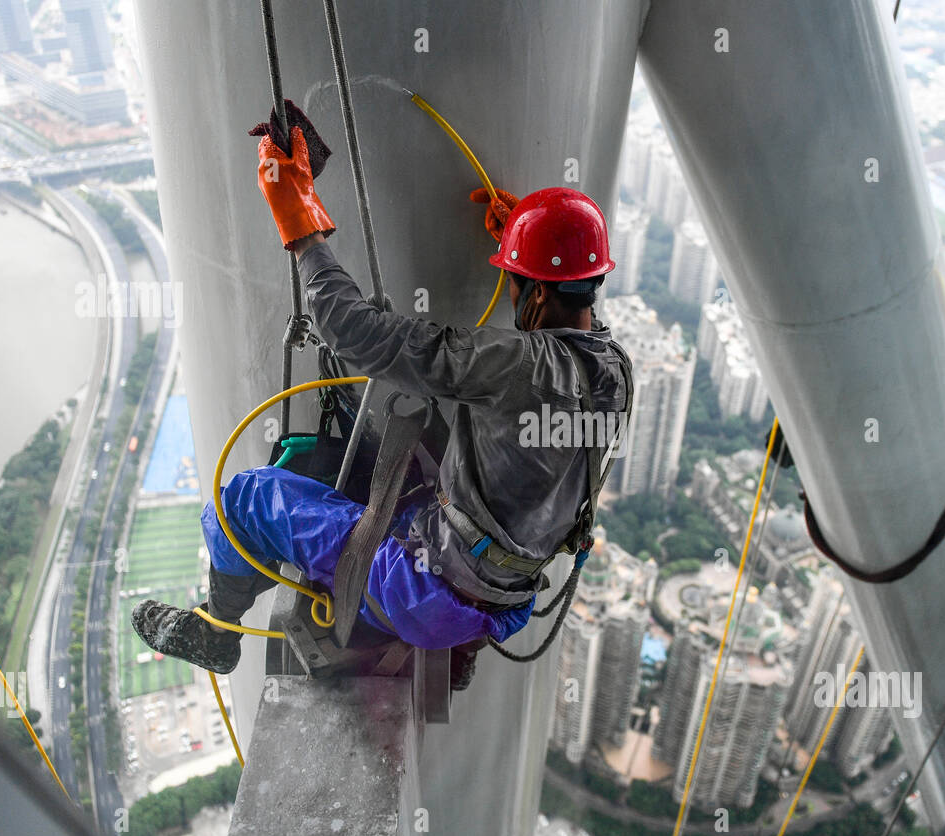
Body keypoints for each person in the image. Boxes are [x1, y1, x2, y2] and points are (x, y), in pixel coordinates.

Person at [131, 121, 634, 688]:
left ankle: (215, 632)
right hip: (509, 599)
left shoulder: (511, 365)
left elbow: (353, 330)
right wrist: (525, 245)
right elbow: (539, 370)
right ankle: (459, 645)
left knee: (245, 500)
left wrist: (301, 224)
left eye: (517, 281)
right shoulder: (615, 369)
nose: (512, 291)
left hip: (425, 592)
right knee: (407, 471)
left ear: (538, 291)